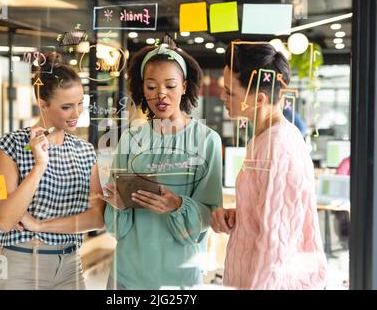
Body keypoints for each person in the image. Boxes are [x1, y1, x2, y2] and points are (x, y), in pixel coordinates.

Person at [100, 44, 223, 289]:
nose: (161, 95)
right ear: (142, 89)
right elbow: (115, 227)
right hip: (127, 274)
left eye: (170, 85)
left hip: (180, 278)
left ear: (185, 86)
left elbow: (211, 215)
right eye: (152, 86)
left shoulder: (207, 140)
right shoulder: (131, 139)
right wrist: (118, 205)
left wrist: (177, 205)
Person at [212, 42, 327, 289]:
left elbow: (277, 248)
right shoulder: (263, 139)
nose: (223, 96)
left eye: (231, 92)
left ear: (259, 99)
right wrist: (242, 215)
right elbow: (272, 215)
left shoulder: (278, 147)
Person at [0, 53, 105, 290]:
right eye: (66, 106)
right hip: (21, 263)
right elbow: (5, 219)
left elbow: (96, 217)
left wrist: (41, 226)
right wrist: (39, 165)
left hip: (71, 265)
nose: (76, 113)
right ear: (43, 104)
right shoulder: (11, 146)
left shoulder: (84, 150)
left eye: (80, 103)